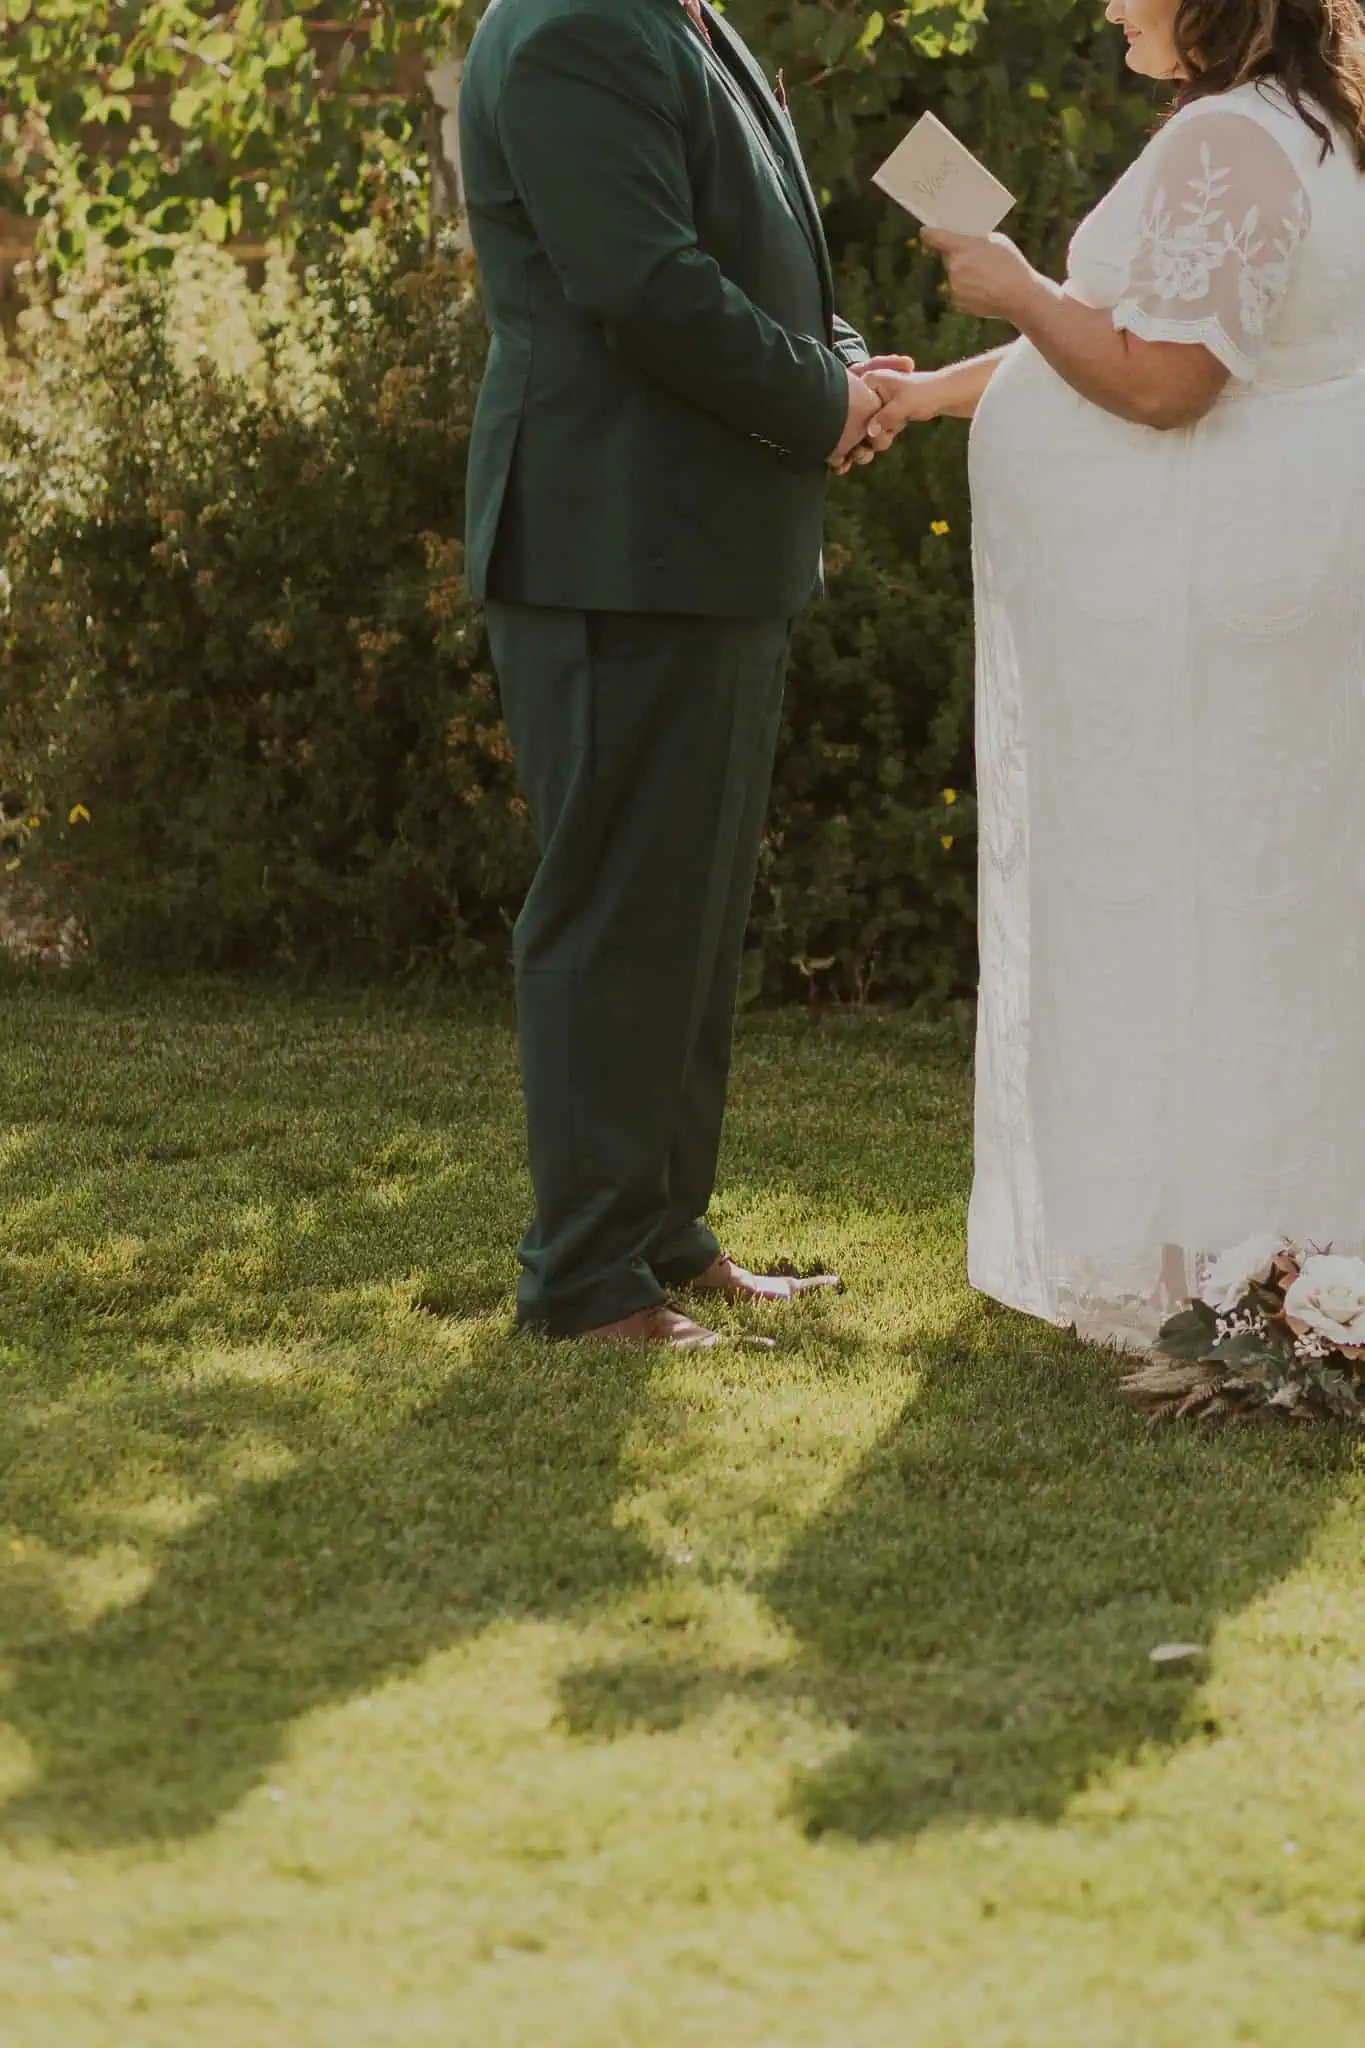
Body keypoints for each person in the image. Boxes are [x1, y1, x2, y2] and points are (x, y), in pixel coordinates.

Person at [864, 0, 1365, 1347]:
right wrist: (925, 394)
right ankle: (1257, 1239)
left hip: (1211, 611)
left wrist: (1014, 282)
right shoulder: (1304, 134)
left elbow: (1166, 381)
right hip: (1259, 592)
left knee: (1202, 910)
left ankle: (1223, 1251)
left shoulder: (1234, 146)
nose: (1105, 7)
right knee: (1259, 905)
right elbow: (1118, 329)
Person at [459, 0, 895, 1348]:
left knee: (690, 911)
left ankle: (660, 1237)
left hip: (698, 541)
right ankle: (584, 1281)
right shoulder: (575, 22)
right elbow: (643, 283)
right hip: (615, 539)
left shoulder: (679, 15)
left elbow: (749, 257)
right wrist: (822, 405)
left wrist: (833, 366)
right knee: (618, 908)